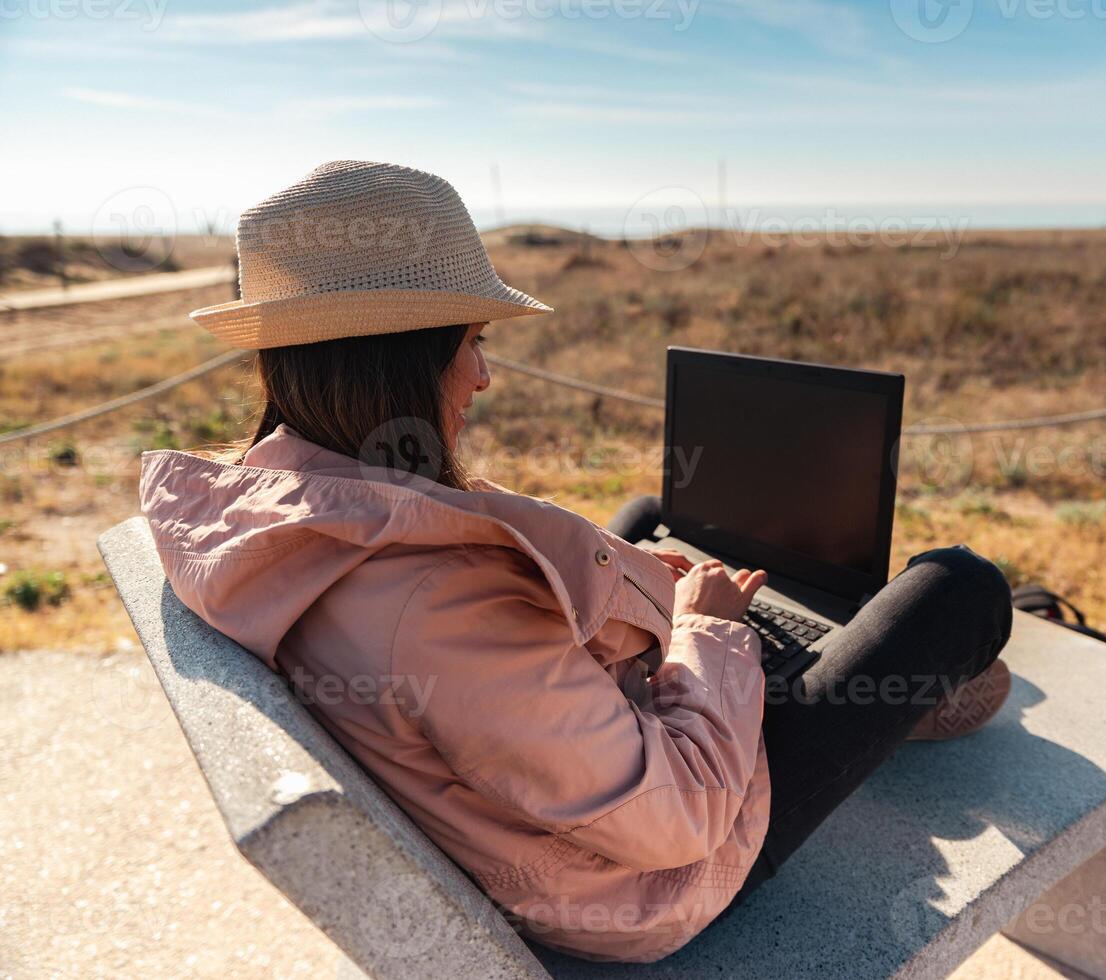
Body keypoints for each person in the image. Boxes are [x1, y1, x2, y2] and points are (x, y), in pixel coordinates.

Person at [139, 160, 1013, 963]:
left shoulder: (268, 505)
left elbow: (506, 695)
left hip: (549, 773)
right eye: (471, 341)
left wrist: (636, 604)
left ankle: (814, 663)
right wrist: (707, 631)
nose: (482, 376)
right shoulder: (442, 605)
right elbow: (680, 816)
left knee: (647, 520)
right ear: (399, 363)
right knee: (955, 587)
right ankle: (888, 689)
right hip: (657, 882)